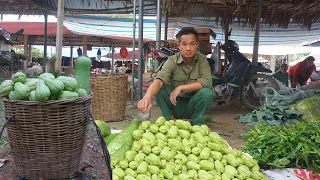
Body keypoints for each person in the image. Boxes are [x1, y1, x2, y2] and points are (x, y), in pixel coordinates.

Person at [137, 27, 215, 125]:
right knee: (160, 89)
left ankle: (197, 122)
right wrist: (147, 97)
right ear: (179, 45)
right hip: (175, 103)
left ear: (197, 45)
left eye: (192, 44)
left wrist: (181, 88)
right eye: (184, 44)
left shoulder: (202, 60)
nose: (188, 48)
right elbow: (159, 80)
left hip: (193, 104)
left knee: (208, 93)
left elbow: (207, 82)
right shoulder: (172, 60)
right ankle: (168, 118)